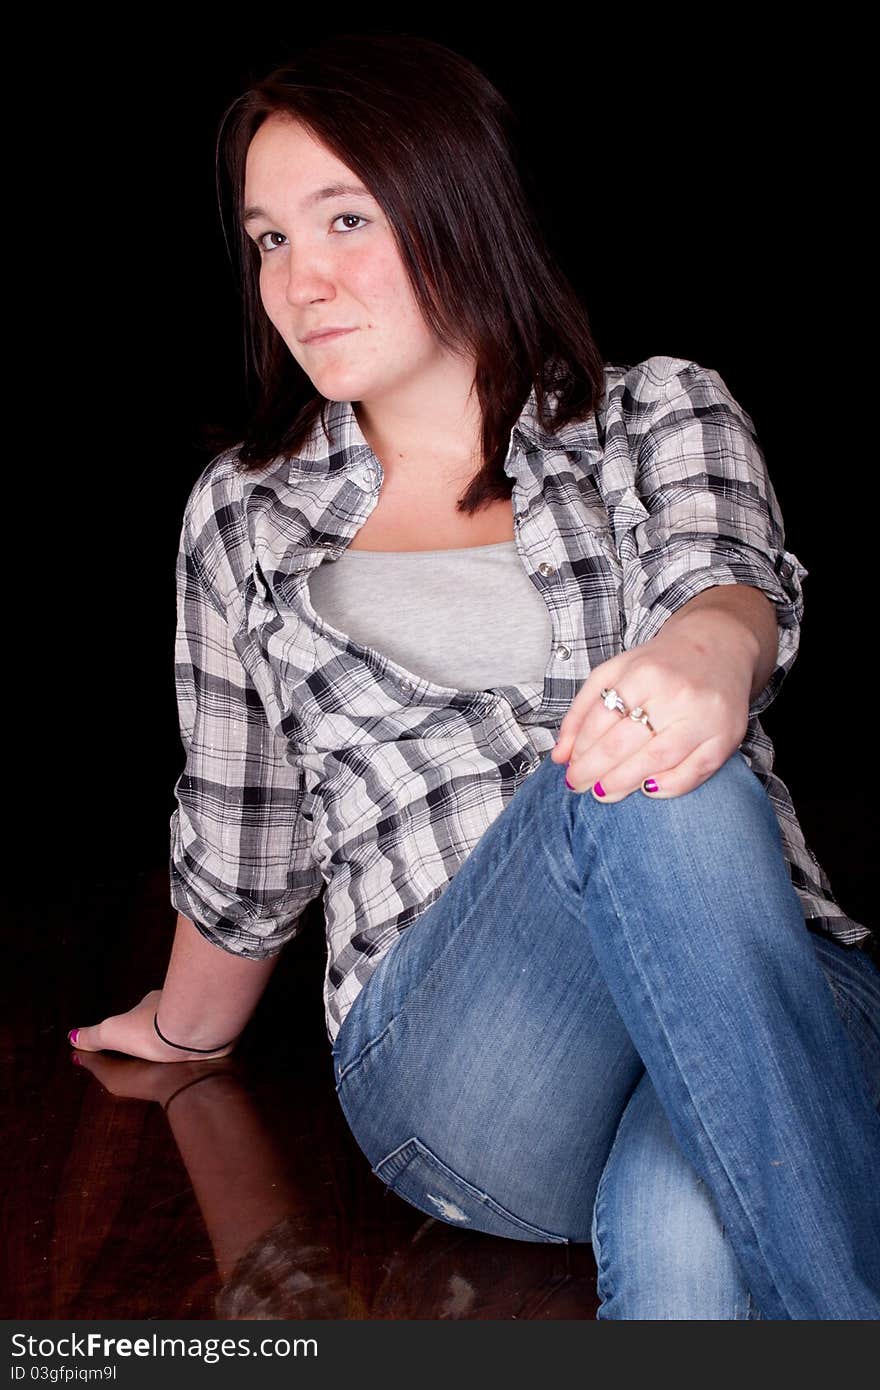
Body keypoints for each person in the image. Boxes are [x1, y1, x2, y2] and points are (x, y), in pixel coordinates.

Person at [69, 32, 880, 1319]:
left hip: (773, 1001)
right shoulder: (246, 516)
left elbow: (726, 583)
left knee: (692, 1225)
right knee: (642, 778)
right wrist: (183, 1032)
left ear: (458, 207)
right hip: (472, 1070)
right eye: (270, 238)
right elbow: (249, 828)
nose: (299, 278)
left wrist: (703, 656)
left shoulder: (659, 413)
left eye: (344, 218)